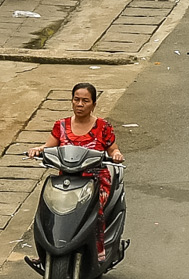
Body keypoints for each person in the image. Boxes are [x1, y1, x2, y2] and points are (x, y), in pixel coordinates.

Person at [30, 83, 125, 264]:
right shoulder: (61, 125)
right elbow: (48, 146)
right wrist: (37, 150)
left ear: (94, 104)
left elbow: (113, 149)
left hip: (95, 180)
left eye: (85, 101)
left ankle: (99, 249)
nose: (80, 104)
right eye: (76, 99)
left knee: (95, 210)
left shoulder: (103, 127)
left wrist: (116, 155)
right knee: (47, 209)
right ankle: (45, 250)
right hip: (65, 179)